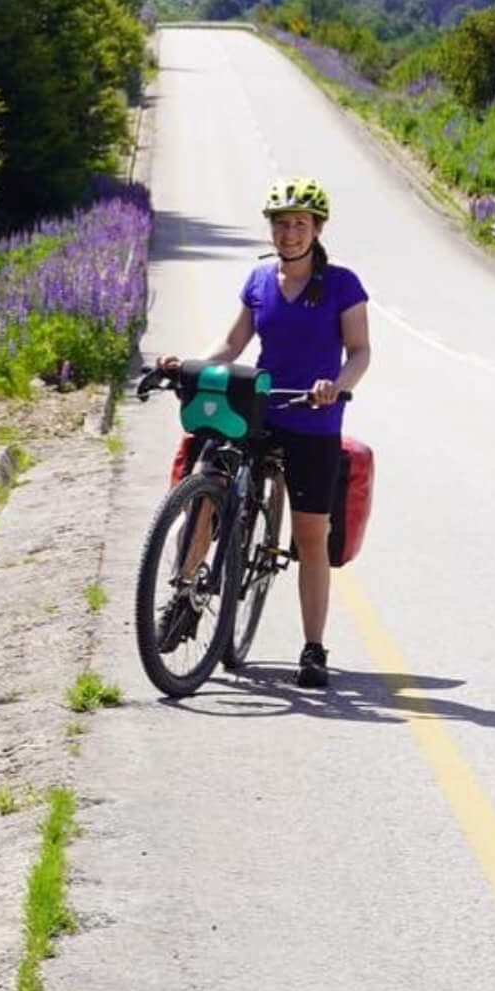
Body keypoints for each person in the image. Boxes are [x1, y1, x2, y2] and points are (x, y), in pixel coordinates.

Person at [158, 176, 371, 689]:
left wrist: (336, 386)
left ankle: (313, 647)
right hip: (260, 408)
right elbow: (231, 345)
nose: (290, 233)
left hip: (313, 419)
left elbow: (360, 351)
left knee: (310, 536)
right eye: (281, 224)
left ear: (317, 230)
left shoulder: (342, 284)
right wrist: (186, 364)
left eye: (300, 224)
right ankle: (184, 594)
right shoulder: (258, 281)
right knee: (207, 481)